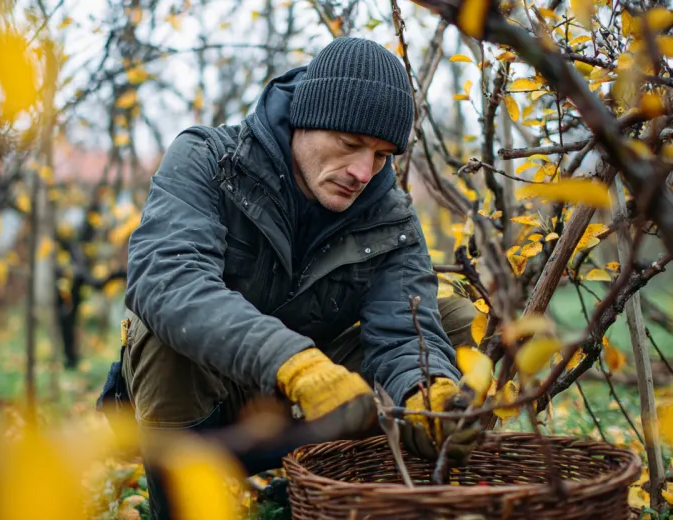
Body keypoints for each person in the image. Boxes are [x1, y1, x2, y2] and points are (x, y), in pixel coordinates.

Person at [100, 36, 480, 518]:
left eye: (382, 155)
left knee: (457, 320)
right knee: (163, 327)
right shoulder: (211, 159)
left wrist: (427, 389)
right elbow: (168, 279)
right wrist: (294, 364)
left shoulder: (390, 217)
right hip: (207, 414)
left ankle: (357, 493)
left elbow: (405, 330)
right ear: (303, 119)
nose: (363, 171)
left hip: (311, 414)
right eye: (350, 144)